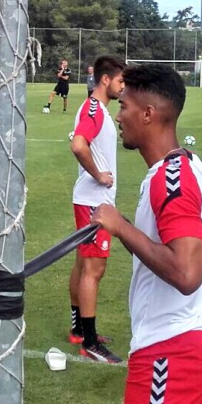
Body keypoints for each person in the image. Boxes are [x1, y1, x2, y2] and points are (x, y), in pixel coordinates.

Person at [91, 64, 202, 404]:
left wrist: (120, 227)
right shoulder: (185, 166)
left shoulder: (170, 179)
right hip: (190, 340)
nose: (118, 116)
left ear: (148, 114)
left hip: (171, 351)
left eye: (123, 106)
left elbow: (186, 272)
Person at [67, 56, 126, 363]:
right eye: (120, 81)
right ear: (106, 80)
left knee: (82, 264)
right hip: (93, 202)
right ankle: (90, 343)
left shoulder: (98, 109)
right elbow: (79, 145)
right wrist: (98, 175)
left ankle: (79, 330)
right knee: (94, 269)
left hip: (90, 200)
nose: (123, 87)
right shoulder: (94, 109)